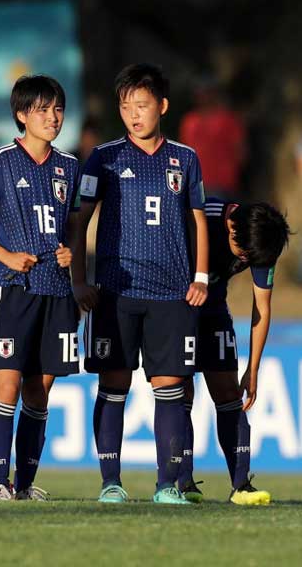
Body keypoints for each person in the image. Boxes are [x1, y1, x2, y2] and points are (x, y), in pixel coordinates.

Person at [69, 64, 209, 505]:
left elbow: (198, 221)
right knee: (114, 384)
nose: (134, 114)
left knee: (169, 387)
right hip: (116, 291)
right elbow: (80, 222)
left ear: (162, 107)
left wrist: (201, 276)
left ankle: (167, 486)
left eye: (142, 106)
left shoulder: (185, 158)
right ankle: (111, 481)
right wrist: (79, 281)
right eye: (126, 106)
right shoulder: (105, 157)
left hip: (172, 293)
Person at [0, 75, 80, 501]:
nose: (52, 117)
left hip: (56, 291)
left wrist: (70, 254)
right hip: (11, 288)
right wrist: (6, 257)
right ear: (22, 116)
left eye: (58, 108)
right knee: (5, 385)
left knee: (39, 391)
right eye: (42, 110)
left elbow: (73, 226)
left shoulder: (69, 166)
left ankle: (24, 485)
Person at [177, 199, 290, 505]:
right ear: (230, 227)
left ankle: (241, 485)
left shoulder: (261, 240)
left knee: (229, 393)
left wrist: (252, 369)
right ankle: (182, 482)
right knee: (180, 389)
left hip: (214, 308)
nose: (244, 260)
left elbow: (262, 308)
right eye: (243, 254)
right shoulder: (200, 217)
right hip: (177, 307)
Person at [178, 81, 246, 198]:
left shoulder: (228, 119)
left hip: (222, 184)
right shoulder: (189, 121)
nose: (203, 97)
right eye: (200, 94)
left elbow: (241, 151)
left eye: (207, 93)